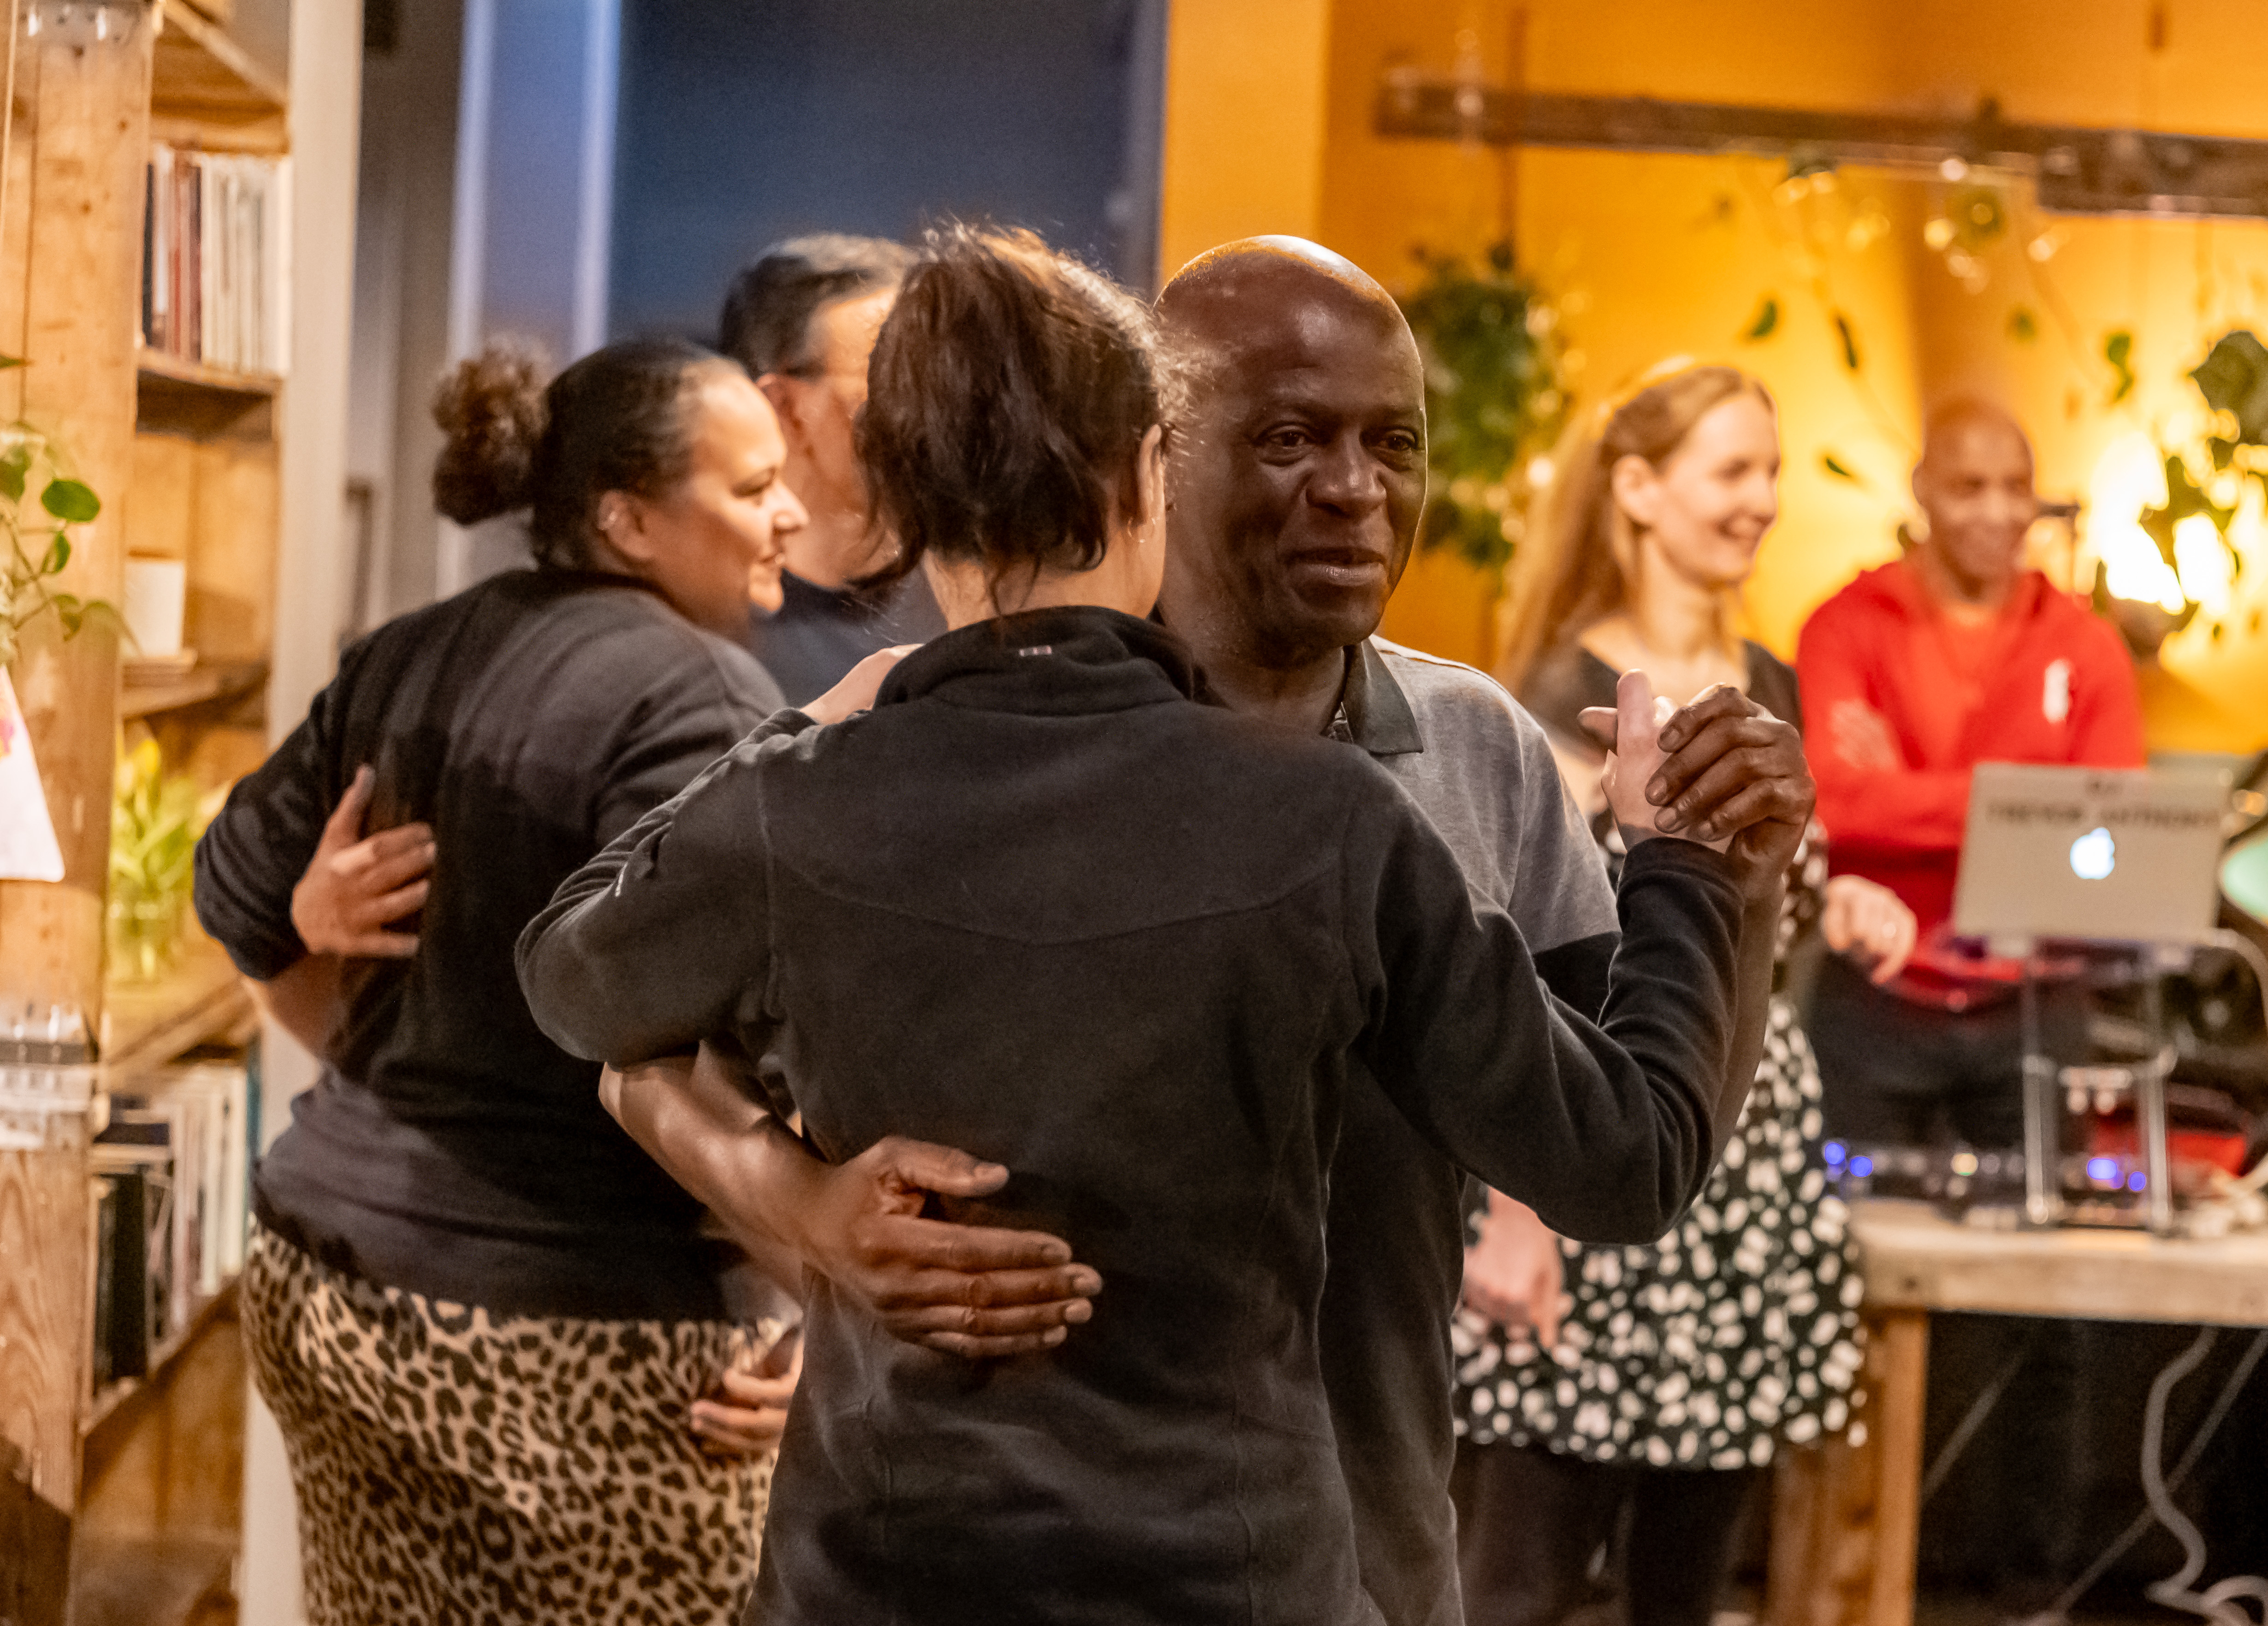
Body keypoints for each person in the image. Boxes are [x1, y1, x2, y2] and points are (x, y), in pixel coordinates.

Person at [518, 226, 1778, 1625]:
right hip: (1221, 1569)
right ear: (1148, 468)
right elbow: (1628, 1146)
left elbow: (577, 979)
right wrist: (797, 1204)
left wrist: (800, 738)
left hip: (965, 1561)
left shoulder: (829, 789)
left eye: (1393, 444)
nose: (1353, 489)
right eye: (1290, 438)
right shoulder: (1324, 820)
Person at [193, 337, 865, 1625]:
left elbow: (235, 890)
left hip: (324, 1276)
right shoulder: (700, 694)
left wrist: (346, 990)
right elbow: (751, 1044)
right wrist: (828, 1301)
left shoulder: (409, 649)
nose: (788, 512)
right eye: (750, 488)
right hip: (577, 1333)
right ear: (626, 518)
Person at [1456, 362, 1915, 1626]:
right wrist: (1517, 1214)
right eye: (1732, 469)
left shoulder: (1770, 680)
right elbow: (1523, 960)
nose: (1762, 498)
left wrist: (1837, 900)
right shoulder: (1555, 692)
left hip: (1746, 1174)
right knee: (1523, 1577)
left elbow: (1743, 903)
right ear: (1638, 489)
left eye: (1771, 470)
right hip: (1593, 1142)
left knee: (1691, 1581)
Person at [1797, 398, 2146, 1148]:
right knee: (1854, 1218)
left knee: (2048, 1223)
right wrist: (2033, 805)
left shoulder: (2086, 646)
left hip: (2036, 1000)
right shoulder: (1842, 625)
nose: (1997, 511)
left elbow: (2117, 827)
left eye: (2015, 487)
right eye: (1968, 487)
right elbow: (1833, 806)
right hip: (1873, 994)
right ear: (1921, 490)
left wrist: (1900, 793)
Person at [718, 232, 946, 702]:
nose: (930, 413)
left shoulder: (982, 583)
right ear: (784, 408)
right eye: (893, 387)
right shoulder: (708, 631)